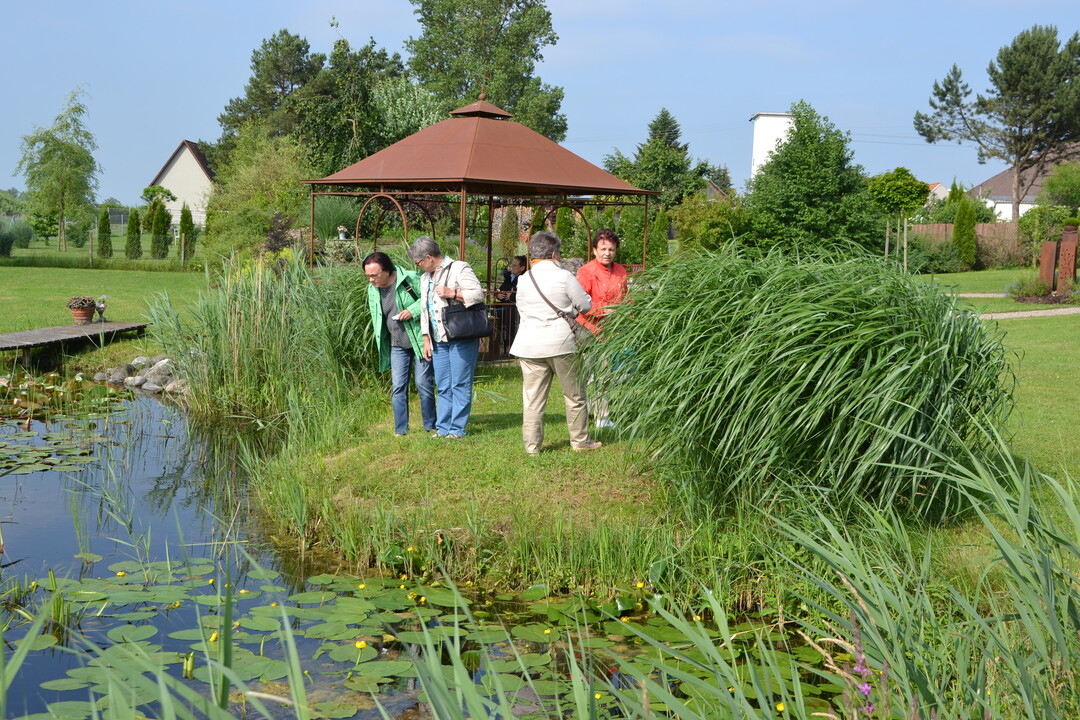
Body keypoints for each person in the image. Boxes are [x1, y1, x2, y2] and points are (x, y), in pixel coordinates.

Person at [511, 231, 602, 455]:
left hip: (529, 344)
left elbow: (521, 308)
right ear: (554, 253)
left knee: (532, 399)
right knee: (574, 395)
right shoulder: (564, 277)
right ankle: (580, 441)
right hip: (562, 344)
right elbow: (586, 306)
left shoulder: (524, 279)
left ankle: (532, 447)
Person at [408, 236, 485, 439]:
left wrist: (452, 293)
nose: (418, 267)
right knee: (442, 384)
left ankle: (457, 429)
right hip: (438, 339)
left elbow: (478, 295)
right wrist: (426, 338)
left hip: (461, 335)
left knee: (459, 383)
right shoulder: (425, 278)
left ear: (428, 257)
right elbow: (425, 310)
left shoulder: (459, 268)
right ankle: (443, 428)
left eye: (418, 263)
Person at [363, 252, 436, 436]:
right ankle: (400, 430)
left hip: (419, 340)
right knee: (398, 387)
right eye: (368, 276)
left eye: (374, 275)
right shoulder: (373, 289)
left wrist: (412, 311)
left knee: (423, 384)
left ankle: (430, 425)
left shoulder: (409, 279)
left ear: (387, 271)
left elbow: (429, 298)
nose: (371, 280)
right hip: (396, 344)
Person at [576, 228, 629, 429]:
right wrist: (604, 311)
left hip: (612, 332)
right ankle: (600, 416)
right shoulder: (586, 272)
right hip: (588, 330)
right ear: (595, 250)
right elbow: (580, 303)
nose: (607, 253)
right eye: (603, 248)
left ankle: (598, 412)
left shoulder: (621, 271)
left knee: (605, 374)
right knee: (594, 374)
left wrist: (628, 316)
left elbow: (627, 299)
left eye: (611, 249)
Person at [496, 255, 526, 354]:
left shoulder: (524, 279)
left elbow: (524, 294)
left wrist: (512, 296)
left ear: (522, 268)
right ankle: (499, 345)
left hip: (515, 309)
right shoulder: (509, 277)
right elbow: (501, 289)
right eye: (512, 264)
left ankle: (511, 346)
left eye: (515, 265)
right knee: (494, 314)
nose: (511, 267)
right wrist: (499, 295)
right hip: (505, 306)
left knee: (511, 323)